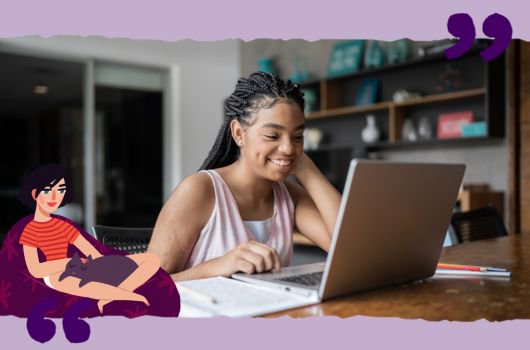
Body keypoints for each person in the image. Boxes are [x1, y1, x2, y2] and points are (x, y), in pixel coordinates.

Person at [148, 72, 341, 281]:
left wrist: (307, 170)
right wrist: (218, 267)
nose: (288, 148)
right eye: (272, 136)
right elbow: (145, 286)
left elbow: (347, 247)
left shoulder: (289, 196)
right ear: (239, 133)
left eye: (297, 137)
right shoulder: (200, 190)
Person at [17, 164, 160, 313]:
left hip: (85, 269)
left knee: (151, 261)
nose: (55, 196)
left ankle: (115, 296)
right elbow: (36, 269)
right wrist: (67, 263)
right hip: (58, 276)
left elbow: (94, 253)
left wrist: (109, 263)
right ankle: (125, 295)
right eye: (47, 191)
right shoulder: (30, 230)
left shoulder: (64, 226)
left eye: (60, 190)